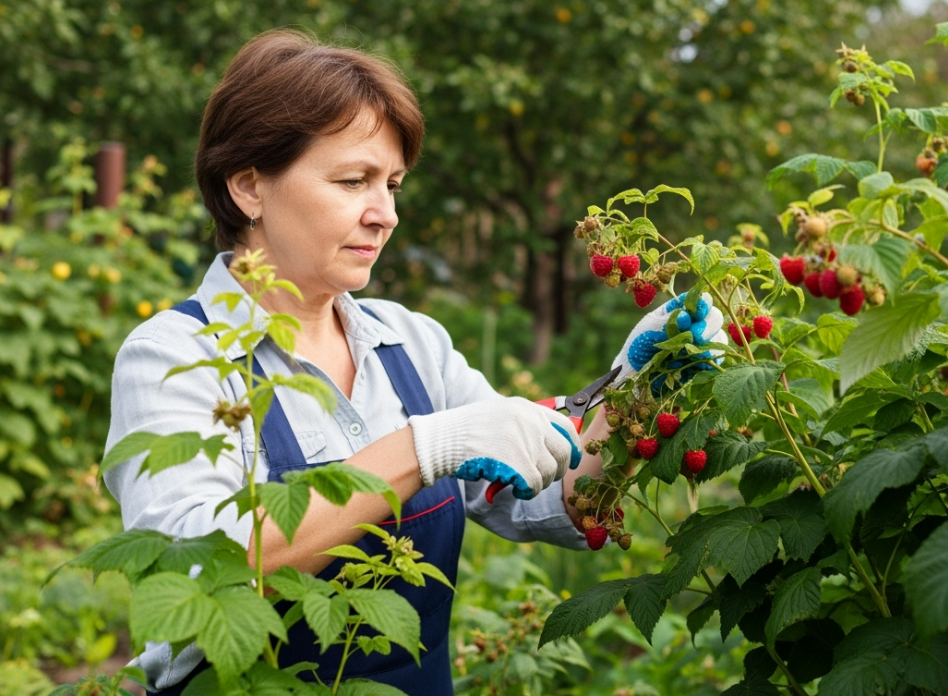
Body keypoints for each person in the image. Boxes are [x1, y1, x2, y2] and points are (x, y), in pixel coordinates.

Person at [102, 29, 722, 695]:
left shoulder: (411, 344)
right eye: (353, 181)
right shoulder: (177, 357)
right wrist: (423, 447)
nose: (386, 214)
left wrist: (634, 390)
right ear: (250, 187)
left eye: (392, 184)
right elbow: (203, 572)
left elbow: (555, 492)